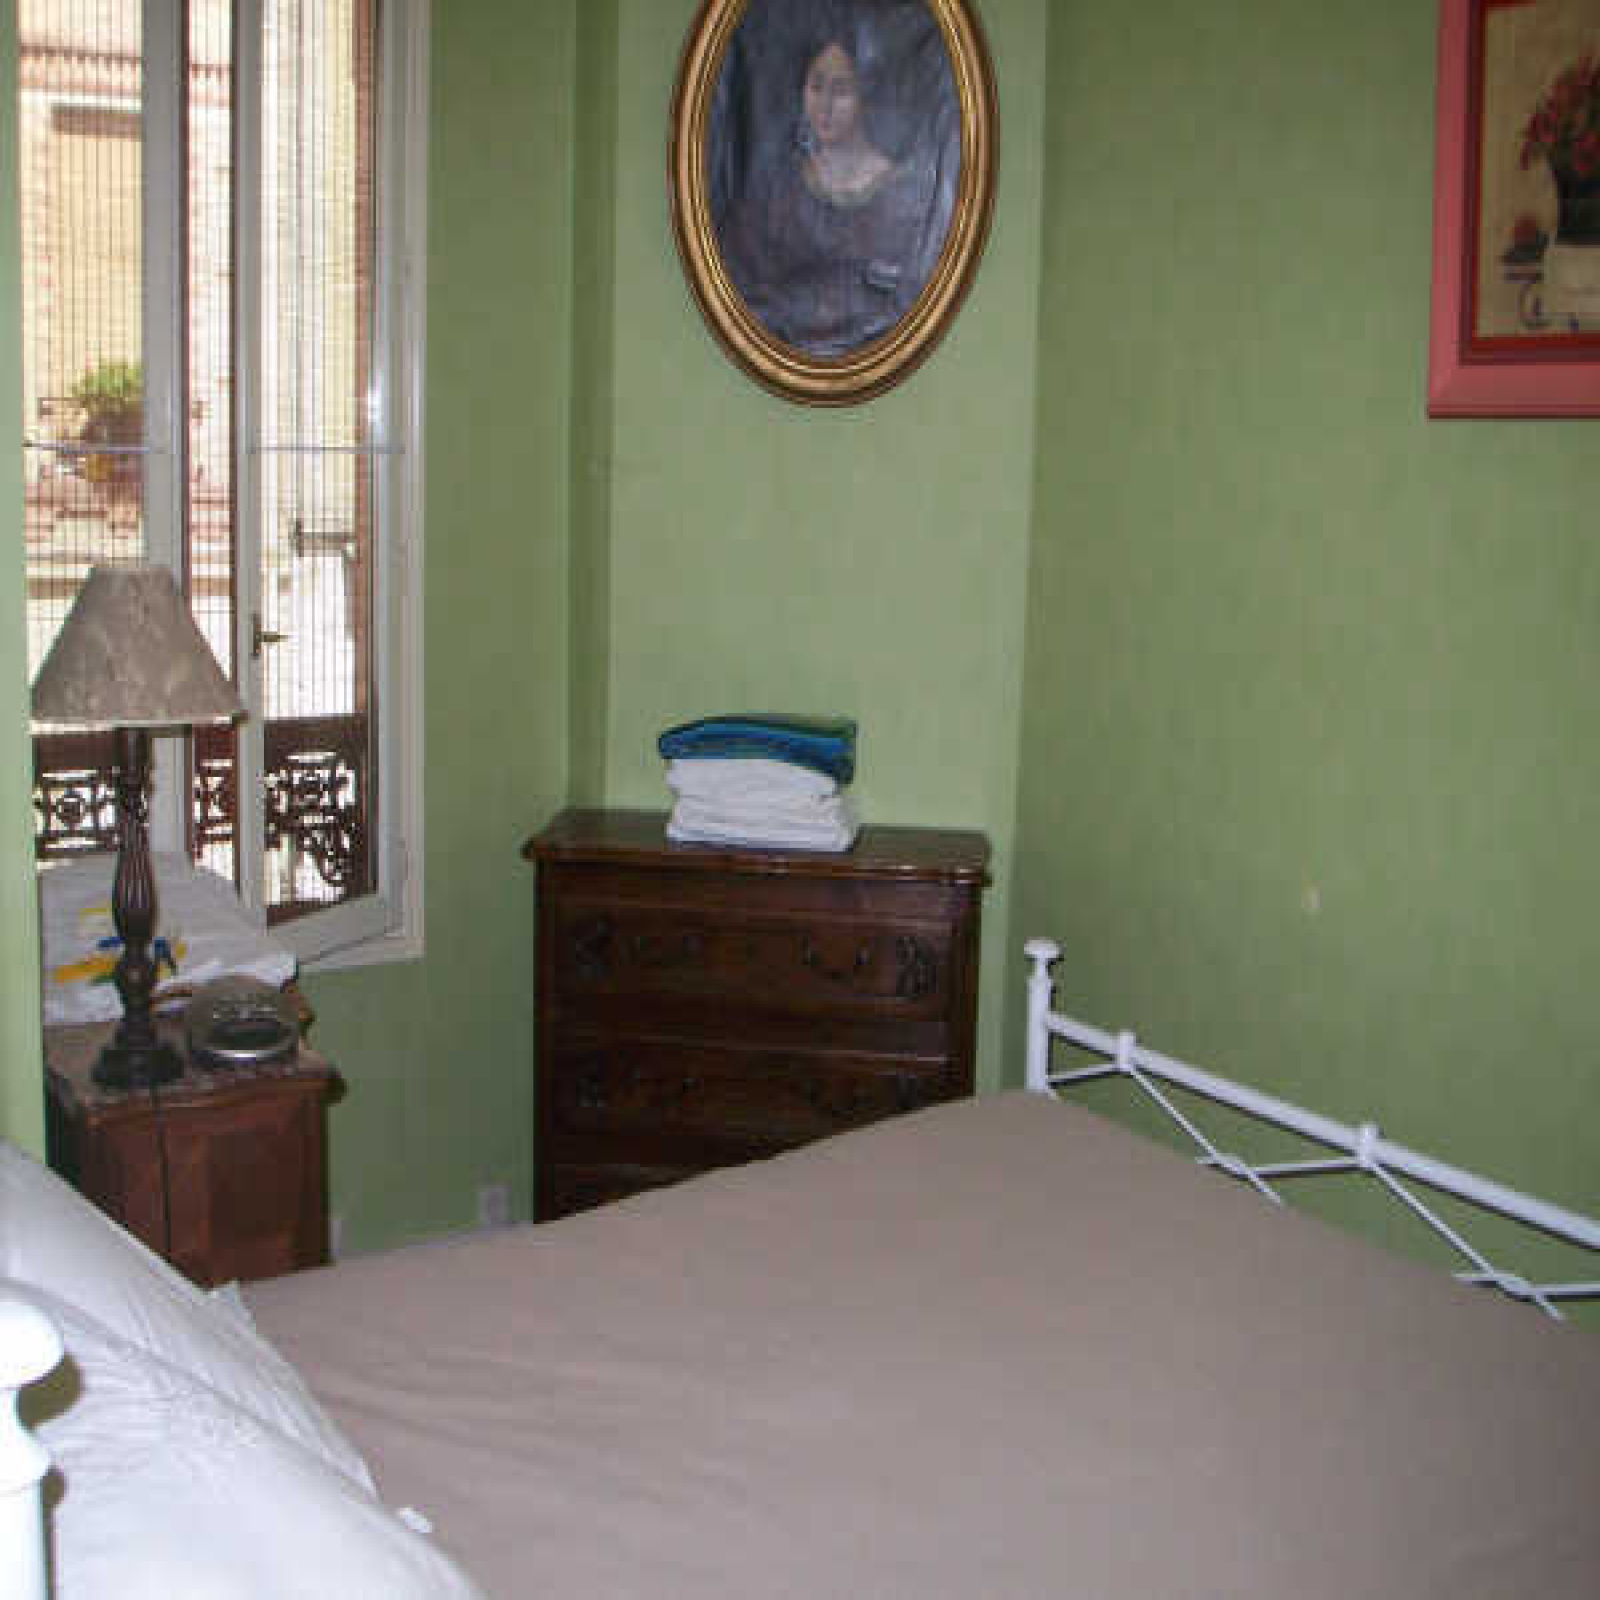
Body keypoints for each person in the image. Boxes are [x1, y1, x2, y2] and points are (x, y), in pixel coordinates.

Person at [720, 29, 948, 358]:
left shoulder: (899, 191)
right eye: (816, 87)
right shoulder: (779, 191)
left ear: (866, 96)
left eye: (841, 90)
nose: (824, 105)